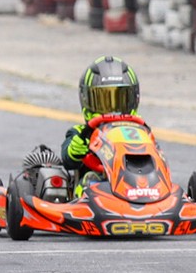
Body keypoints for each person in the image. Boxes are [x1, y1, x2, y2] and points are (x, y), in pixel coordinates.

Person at [61, 56, 142, 186]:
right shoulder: (81, 133)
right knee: (89, 178)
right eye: (104, 102)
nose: (112, 111)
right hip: (95, 186)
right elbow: (67, 160)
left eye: (119, 101)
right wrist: (74, 151)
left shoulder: (139, 133)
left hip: (133, 184)